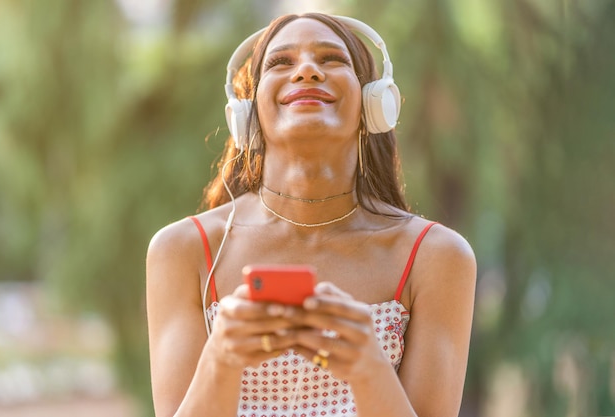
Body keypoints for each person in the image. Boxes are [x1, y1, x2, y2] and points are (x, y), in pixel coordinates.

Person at [146, 12, 476, 417]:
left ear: (373, 103)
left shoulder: (437, 257)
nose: (306, 70)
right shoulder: (184, 251)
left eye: (332, 59)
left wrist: (370, 369)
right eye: (281, 63)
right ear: (246, 112)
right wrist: (222, 359)